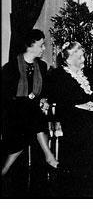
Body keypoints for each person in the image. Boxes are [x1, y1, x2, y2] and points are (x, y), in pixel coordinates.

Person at [47, 41, 93, 187]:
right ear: (69, 59)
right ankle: (76, 172)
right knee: (83, 122)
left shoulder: (89, 73)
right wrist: (80, 106)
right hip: (70, 112)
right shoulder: (59, 75)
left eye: (83, 56)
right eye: (80, 57)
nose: (84, 60)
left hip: (90, 111)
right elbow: (60, 99)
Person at [1, 29, 58, 176]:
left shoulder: (42, 66)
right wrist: (29, 101)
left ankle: (4, 169)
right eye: (41, 45)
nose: (44, 48)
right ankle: (49, 156)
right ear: (30, 46)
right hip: (14, 113)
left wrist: (44, 100)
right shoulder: (11, 67)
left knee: (33, 116)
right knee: (31, 115)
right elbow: (7, 97)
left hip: (32, 113)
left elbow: (46, 92)